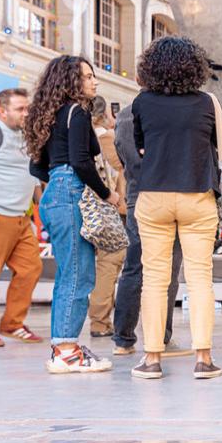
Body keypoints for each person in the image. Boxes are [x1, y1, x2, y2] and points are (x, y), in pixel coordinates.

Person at [128, 36, 222, 380]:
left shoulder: (142, 103)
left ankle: (152, 358)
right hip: (197, 194)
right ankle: (203, 358)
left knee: (154, 279)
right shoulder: (207, 103)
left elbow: (140, 147)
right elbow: (214, 146)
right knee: (199, 279)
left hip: (153, 195)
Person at [25, 56, 119, 373]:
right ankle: (67, 350)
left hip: (54, 193)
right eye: (88, 76)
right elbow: (82, 162)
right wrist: (108, 194)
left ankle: (63, 347)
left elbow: (36, 167)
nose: (95, 81)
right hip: (71, 191)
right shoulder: (76, 113)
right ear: (71, 81)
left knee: (68, 274)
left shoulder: (48, 116)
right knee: (80, 273)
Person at [111, 101, 186, 358]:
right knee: (168, 269)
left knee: (134, 268)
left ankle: (123, 338)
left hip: (137, 196)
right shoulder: (167, 112)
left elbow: (126, 159)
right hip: (166, 195)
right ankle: (161, 337)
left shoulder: (124, 116)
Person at [0, 88, 43, 348]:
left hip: (21, 218)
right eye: (20, 109)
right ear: (2, 110)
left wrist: (39, 201)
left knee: (31, 268)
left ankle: (12, 323)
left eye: (27, 108)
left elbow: (31, 172)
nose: (26, 113)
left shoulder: (25, 134)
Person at [87, 96, 127, 339]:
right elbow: (123, 168)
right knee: (109, 263)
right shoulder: (106, 140)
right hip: (106, 210)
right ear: (103, 115)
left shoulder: (79, 138)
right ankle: (100, 322)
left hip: (82, 208)